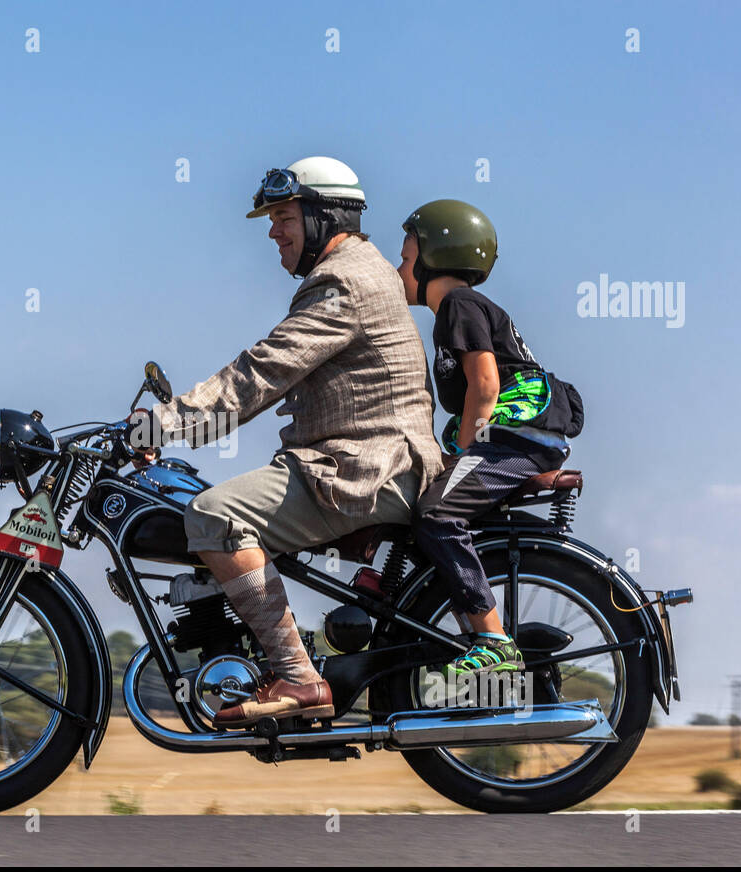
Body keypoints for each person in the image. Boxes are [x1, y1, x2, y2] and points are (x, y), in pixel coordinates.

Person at [128, 157, 443, 727]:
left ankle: (298, 678)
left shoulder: (342, 280)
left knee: (213, 515)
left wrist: (161, 425)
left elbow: (263, 374)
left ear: (324, 215)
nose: (273, 230)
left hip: (365, 468)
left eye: (284, 215)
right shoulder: (362, 271)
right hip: (360, 461)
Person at [397, 199, 584, 680]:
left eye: (404, 256)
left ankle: (493, 639)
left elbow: (485, 386)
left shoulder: (458, 305)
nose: (398, 268)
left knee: (437, 514)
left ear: (433, 255)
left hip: (515, 442)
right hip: (514, 440)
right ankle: (471, 623)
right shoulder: (459, 310)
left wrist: (460, 452)